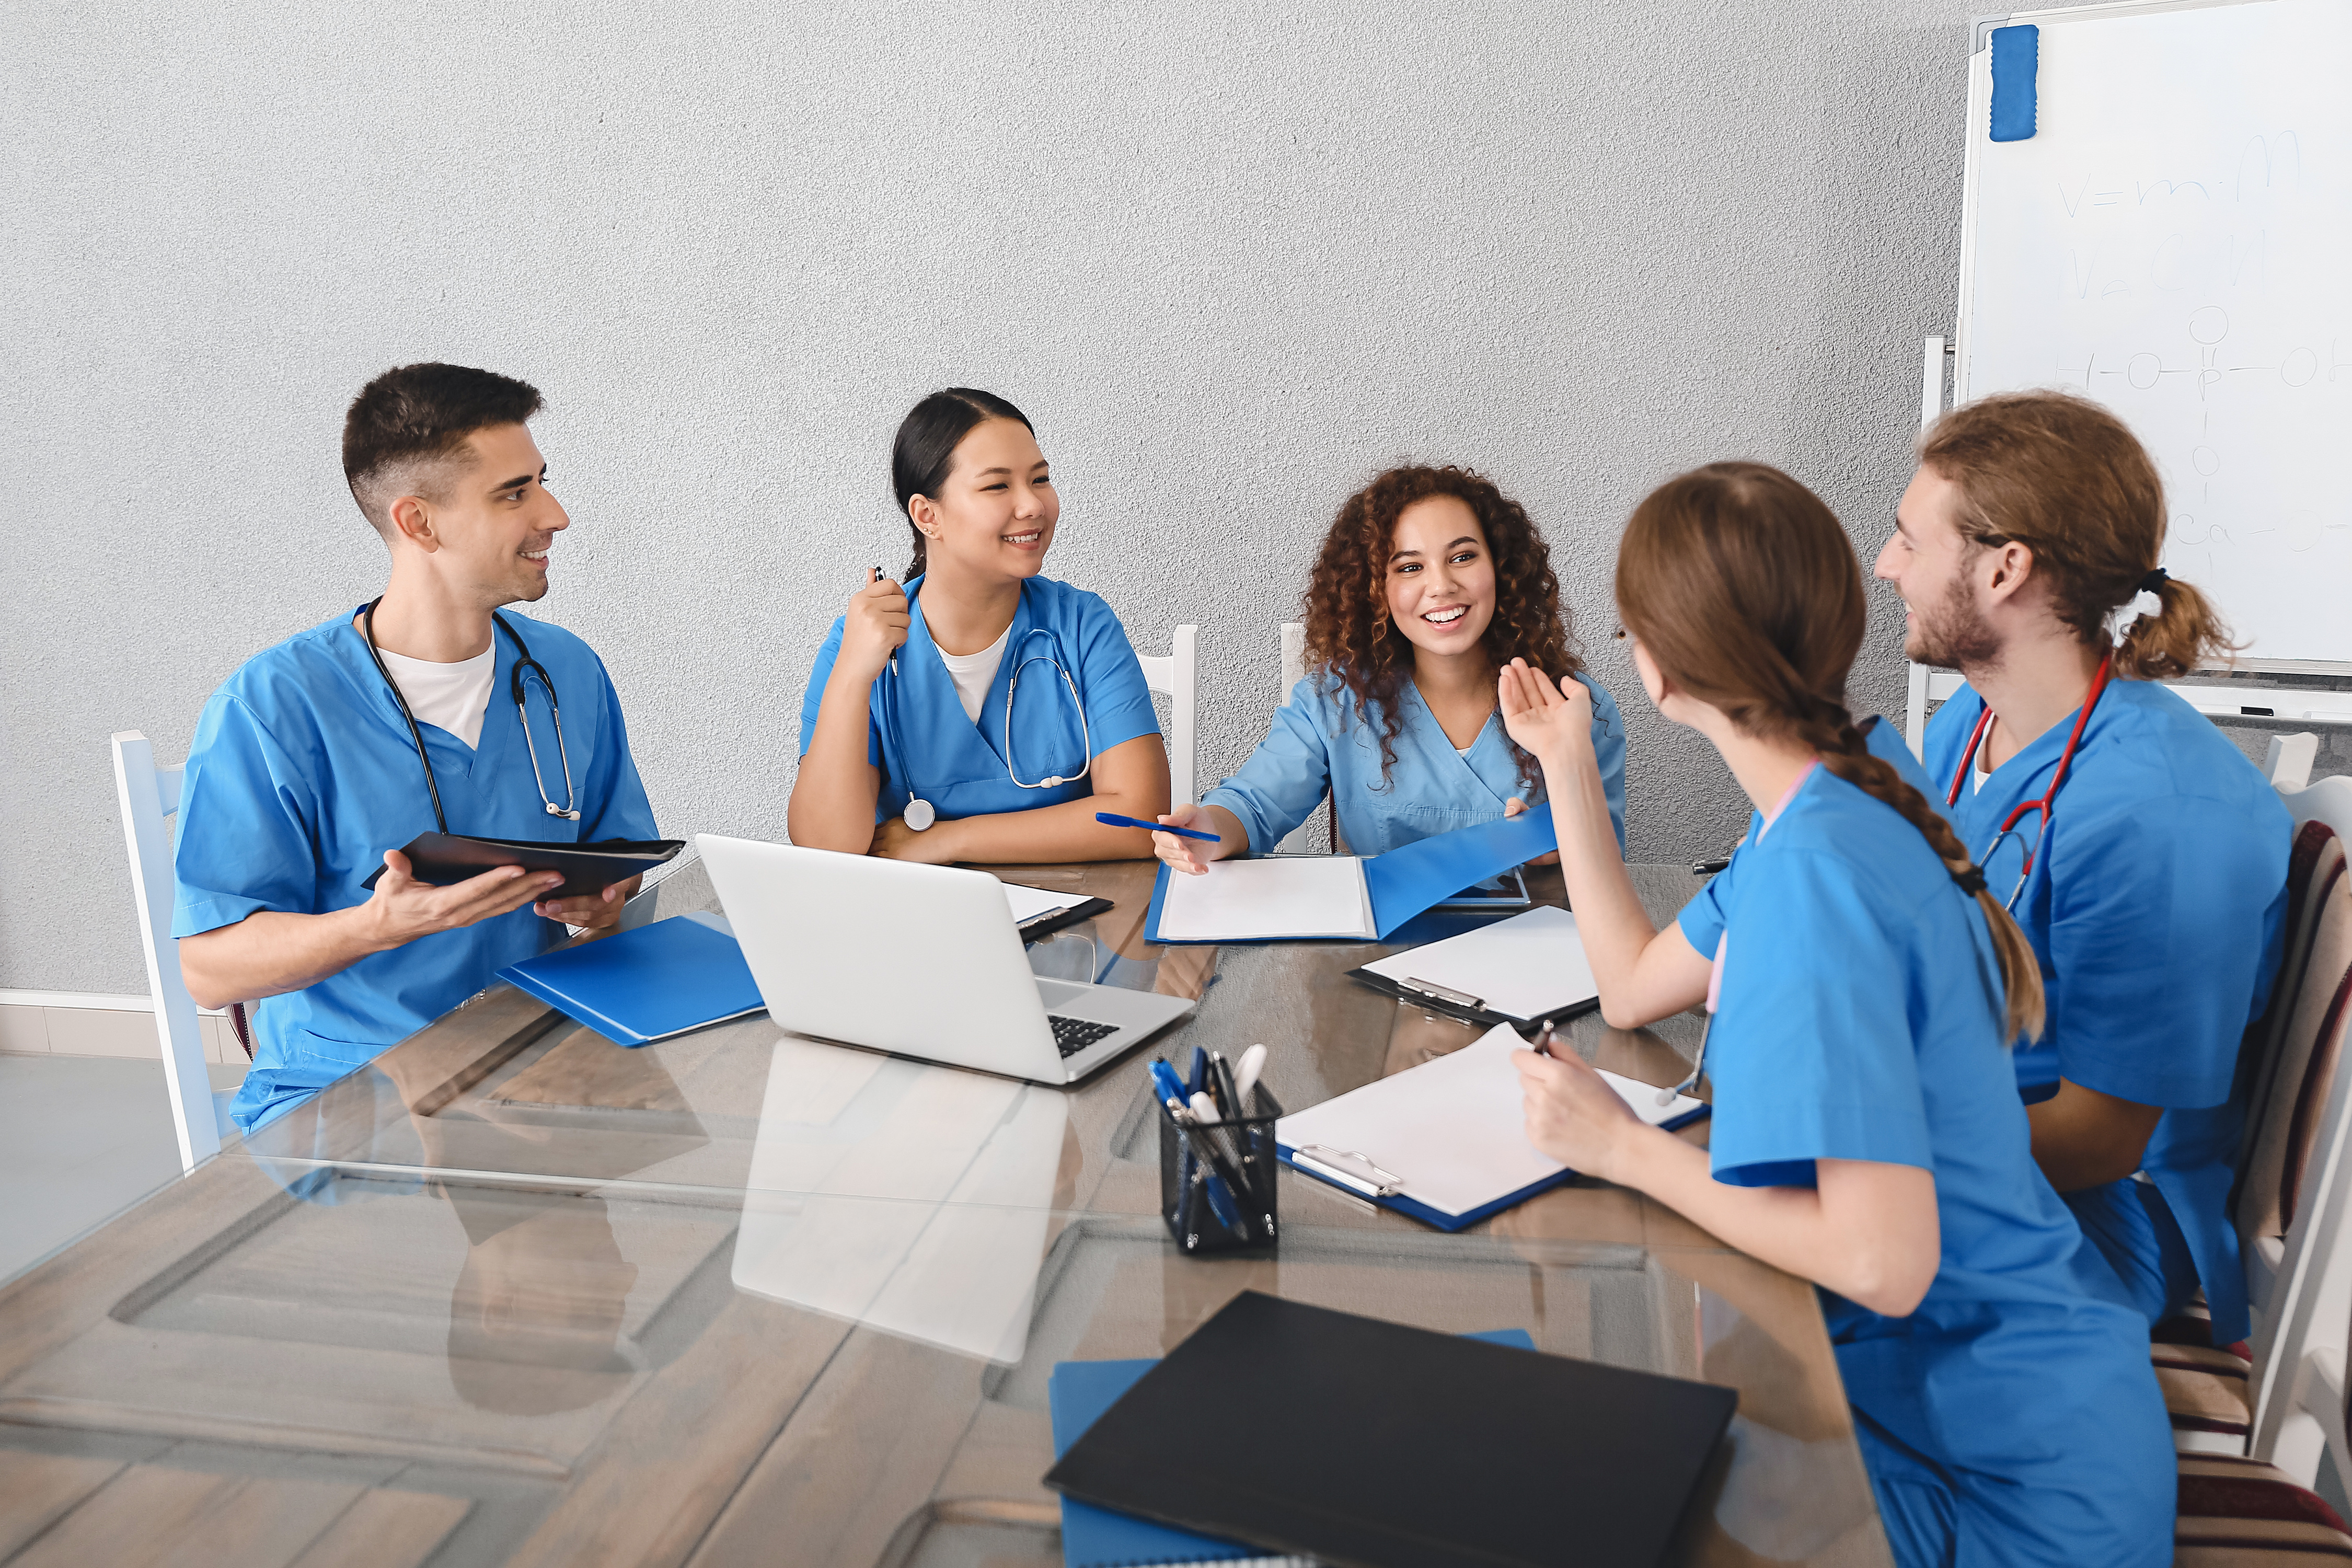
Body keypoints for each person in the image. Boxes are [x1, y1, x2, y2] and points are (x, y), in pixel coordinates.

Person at [1508, 462, 2171, 1567]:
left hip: (2009, 1498)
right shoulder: (1841, 792)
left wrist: (1624, 1149)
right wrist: (1567, 766)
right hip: (2001, 1403)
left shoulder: (1817, 874)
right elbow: (1630, 986)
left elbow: (1881, 1264)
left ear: (1658, 669)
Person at [1880, 390, 2291, 1351]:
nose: (1887, 565)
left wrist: (1870, 1147)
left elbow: (2105, 1137)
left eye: (1909, 539)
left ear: (2004, 567)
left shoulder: (2161, 813)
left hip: (2110, 1213)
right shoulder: (1963, 730)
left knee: (1781, 1267)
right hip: (1974, 1125)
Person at [175, 364, 658, 1133]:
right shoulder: (275, 706)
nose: (555, 514)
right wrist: (379, 925)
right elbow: (208, 970)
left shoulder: (567, 672)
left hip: (533, 1070)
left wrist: (602, 901)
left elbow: (617, 858)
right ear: (420, 523)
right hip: (351, 1096)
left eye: (542, 482)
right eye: (514, 493)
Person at [1152, 465, 1624, 875]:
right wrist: (1205, 830)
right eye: (1409, 568)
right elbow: (1255, 805)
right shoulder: (1336, 700)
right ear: (1373, 589)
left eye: (1462, 557)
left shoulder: (1577, 707)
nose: (1441, 586)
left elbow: (1607, 860)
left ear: (1501, 567)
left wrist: (1559, 848)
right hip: (1377, 953)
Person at [790, 388, 1168, 862]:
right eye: (997, 486)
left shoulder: (1083, 626)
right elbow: (825, 845)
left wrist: (951, 840)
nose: (1032, 505)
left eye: (1040, 479)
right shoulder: (859, 644)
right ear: (928, 516)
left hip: (1079, 921)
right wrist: (851, 675)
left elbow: (1137, 819)